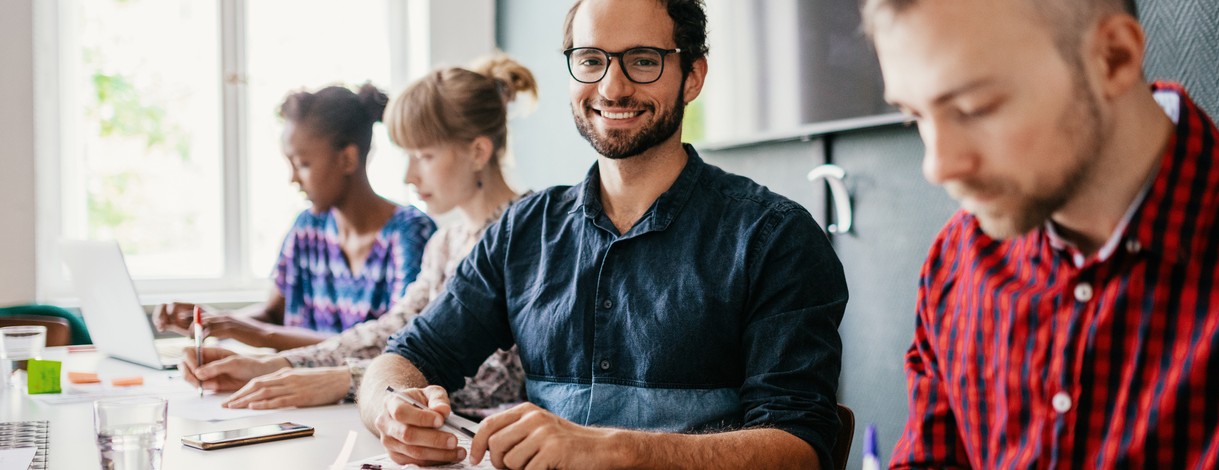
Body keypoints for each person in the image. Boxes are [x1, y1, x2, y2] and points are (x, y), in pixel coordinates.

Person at [358, 0, 848, 468]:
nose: (612, 88)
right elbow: (406, 356)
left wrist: (615, 451)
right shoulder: (522, 231)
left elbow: (800, 449)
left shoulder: (774, 237)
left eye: (643, 61)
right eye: (591, 61)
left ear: (693, 77)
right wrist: (392, 409)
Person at [862, 0, 1219, 467]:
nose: (937, 166)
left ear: (1113, 58)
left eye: (974, 108)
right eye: (914, 117)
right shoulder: (956, 262)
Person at [179, 54, 540, 413]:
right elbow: (392, 333)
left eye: (424, 156)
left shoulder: (534, 233)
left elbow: (495, 380)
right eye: (407, 156)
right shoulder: (445, 243)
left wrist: (344, 380)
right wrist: (276, 365)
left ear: (477, 152)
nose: (409, 177)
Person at [152, 84, 436, 351]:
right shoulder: (306, 229)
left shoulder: (411, 234)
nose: (293, 178)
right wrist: (212, 321)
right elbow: (272, 315)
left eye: (302, 164)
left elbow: (390, 345)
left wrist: (254, 333)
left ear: (347, 159)